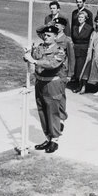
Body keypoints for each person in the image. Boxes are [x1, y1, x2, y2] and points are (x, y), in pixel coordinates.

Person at [23, 25, 67, 154]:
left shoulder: (59, 50)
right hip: (40, 83)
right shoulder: (40, 47)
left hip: (52, 84)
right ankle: (48, 137)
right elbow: (30, 58)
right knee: (42, 111)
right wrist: (27, 53)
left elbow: (53, 64)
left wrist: (35, 61)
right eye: (45, 35)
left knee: (52, 112)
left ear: (55, 37)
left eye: (48, 35)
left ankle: (55, 140)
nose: (45, 37)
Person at [71, 11, 92, 90]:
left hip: (84, 49)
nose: (80, 19)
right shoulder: (75, 27)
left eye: (82, 17)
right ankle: (78, 85)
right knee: (77, 68)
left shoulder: (89, 28)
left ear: (85, 19)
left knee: (83, 68)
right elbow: (73, 37)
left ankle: (83, 86)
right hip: (76, 49)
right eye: (79, 17)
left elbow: (89, 39)